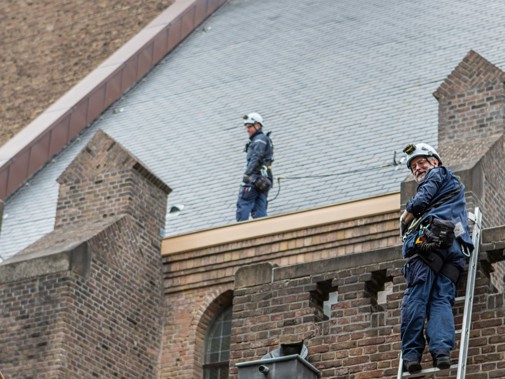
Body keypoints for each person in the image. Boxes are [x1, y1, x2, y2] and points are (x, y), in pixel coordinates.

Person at [399, 143, 473, 374]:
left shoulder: (437, 174)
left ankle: (411, 355)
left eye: (421, 162)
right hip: (455, 251)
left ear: (435, 161)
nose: (418, 168)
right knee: (441, 299)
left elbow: (422, 199)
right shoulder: (453, 189)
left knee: (416, 298)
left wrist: (405, 217)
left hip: (430, 245)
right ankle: (441, 351)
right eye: (413, 166)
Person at [236, 112, 273, 222]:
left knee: (243, 204)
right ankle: (263, 233)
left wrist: (247, 175)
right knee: (259, 210)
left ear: (257, 125)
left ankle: (240, 233)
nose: (247, 130)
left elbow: (256, 157)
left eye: (249, 127)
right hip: (263, 182)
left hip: (254, 180)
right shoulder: (263, 139)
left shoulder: (259, 140)